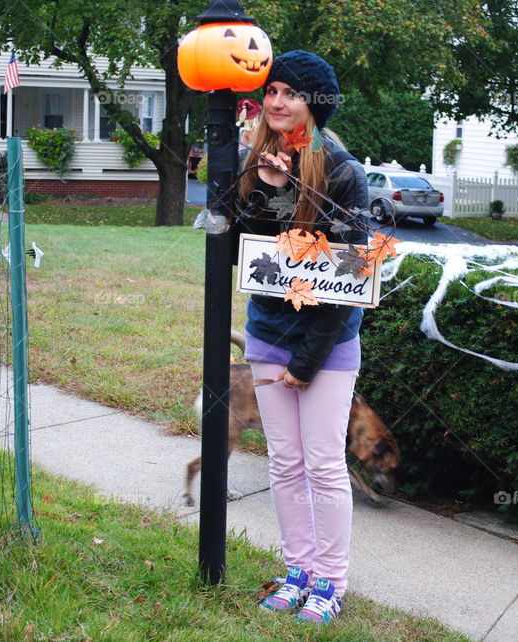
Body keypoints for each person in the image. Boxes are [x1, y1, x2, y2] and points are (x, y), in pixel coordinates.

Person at [234, 50, 368, 624]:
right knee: (284, 463)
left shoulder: (343, 171)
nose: (278, 101)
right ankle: (298, 571)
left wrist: (309, 362)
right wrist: (265, 190)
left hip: (327, 342)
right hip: (267, 331)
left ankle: (331, 583)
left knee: (323, 464)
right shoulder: (257, 158)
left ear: (315, 102)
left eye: (291, 92)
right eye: (272, 91)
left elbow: (347, 275)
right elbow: (247, 253)